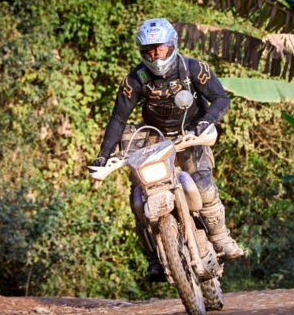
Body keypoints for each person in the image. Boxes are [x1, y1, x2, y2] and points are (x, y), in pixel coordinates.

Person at [91, 17, 244, 282]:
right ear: (142, 52)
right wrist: (104, 154)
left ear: (172, 44)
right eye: (150, 50)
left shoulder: (194, 68)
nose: (156, 54)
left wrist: (206, 122)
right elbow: (118, 118)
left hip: (190, 133)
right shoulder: (134, 79)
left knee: (204, 184)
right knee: (138, 196)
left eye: (160, 48)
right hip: (154, 138)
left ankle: (221, 239)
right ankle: (155, 258)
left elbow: (221, 98)